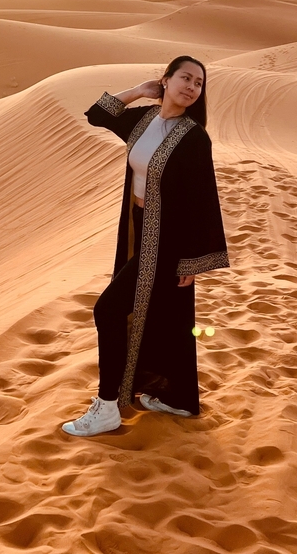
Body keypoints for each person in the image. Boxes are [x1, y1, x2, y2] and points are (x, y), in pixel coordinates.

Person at [62, 55, 229, 437]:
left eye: (199, 83)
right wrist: (138, 91)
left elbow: (201, 200)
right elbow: (97, 114)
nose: (191, 87)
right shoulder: (143, 121)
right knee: (159, 316)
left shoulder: (192, 136)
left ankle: (106, 408)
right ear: (166, 80)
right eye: (185, 78)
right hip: (138, 230)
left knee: (107, 310)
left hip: (167, 241)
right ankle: (177, 397)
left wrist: (191, 261)